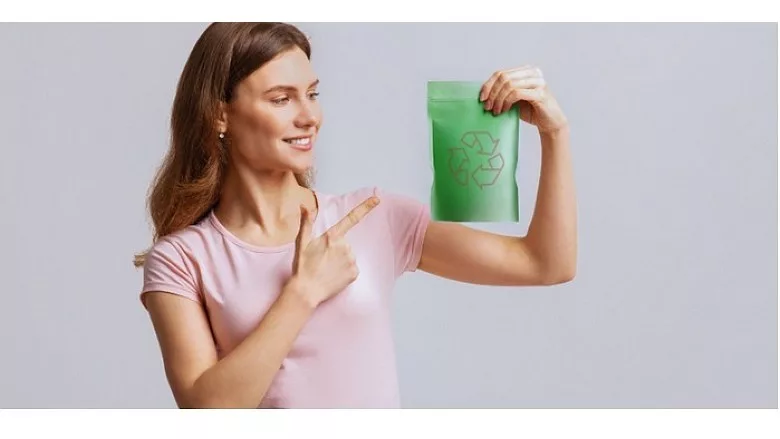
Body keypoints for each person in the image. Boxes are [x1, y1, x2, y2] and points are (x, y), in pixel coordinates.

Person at [135, 22, 577, 409]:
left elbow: (545, 264)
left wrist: (555, 134)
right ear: (219, 114)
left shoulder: (372, 217)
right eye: (281, 99)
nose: (310, 116)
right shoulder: (180, 260)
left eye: (312, 94)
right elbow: (209, 410)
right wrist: (302, 292)